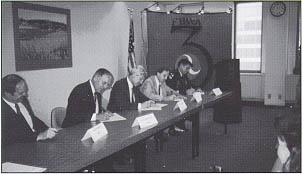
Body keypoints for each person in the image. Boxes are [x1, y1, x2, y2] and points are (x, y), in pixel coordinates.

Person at [2, 74, 57, 146]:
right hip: (18, 149)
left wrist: (48, 130)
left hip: (35, 143)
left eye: (25, 91)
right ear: (7, 94)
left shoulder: (22, 100)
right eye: (21, 93)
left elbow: (32, 119)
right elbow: (10, 138)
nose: (25, 95)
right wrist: (38, 136)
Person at [140, 67, 185, 136]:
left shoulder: (162, 81)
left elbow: (169, 89)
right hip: (147, 108)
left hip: (158, 106)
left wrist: (178, 95)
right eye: (164, 75)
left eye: (167, 76)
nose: (166, 78)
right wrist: (166, 98)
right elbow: (150, 95)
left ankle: (169, 130)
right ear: (158, 74)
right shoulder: (149, 81)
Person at [166, 56, 203, 131]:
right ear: (181, 66)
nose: (188, 70)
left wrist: (196, 88)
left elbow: (189, 84)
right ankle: (174, 127)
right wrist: (185, 91)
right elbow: (170, 89)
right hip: (172, 98)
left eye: (189, 68)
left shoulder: (184, 75)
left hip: (182, 97)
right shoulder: (173, 75)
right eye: (187, 68)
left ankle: (181, 125)